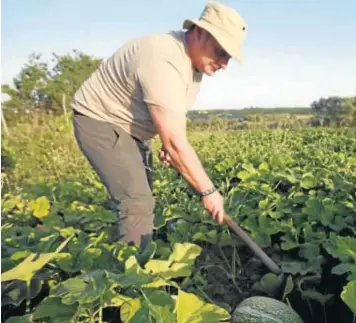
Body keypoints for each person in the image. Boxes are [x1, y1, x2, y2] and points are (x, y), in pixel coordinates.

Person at [70, 2, 247, 250]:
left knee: (140, 198)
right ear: (199, 33)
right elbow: (176, 141)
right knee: (137, 202)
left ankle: (132, 247)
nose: (224, 64)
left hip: (132, 128)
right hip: (101, 119)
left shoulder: (193, 64)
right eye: (220, 52)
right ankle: (129, 279)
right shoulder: (163, 58)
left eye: (228, 56)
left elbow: (171, 117)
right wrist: (208, 192)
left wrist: (167, 140)